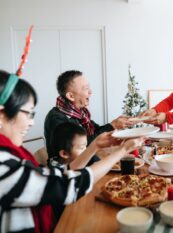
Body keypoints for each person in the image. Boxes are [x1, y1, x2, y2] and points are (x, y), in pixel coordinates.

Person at [0, 70, 144, 233]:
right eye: (28, 113)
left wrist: (95, 145)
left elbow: (57, 175)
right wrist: (122, 150)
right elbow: (66, 184)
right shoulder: (3, 164)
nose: (32, 122)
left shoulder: (81, 115)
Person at [44, 70, 134, 158]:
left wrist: (115, 125)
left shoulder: (81, 113)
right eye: (86, 88)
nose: (90, 92)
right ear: (71, 96)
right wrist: (112, 125)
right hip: (67, 169)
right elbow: (81, 146)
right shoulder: (56, 118)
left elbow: (96, 131)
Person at [48, 122, 116, 170]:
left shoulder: (74, 159)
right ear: (64, 154)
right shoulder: (57, 173)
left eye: (86, 146)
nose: (86, 150)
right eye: (81, 148)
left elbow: (98, 163)